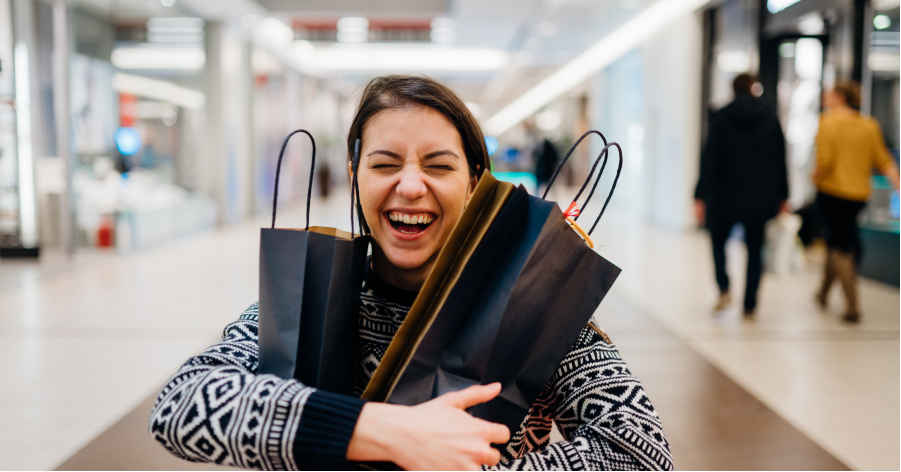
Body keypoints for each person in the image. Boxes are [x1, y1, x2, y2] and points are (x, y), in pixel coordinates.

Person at [148, 75, 672, 471]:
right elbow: (181, 405)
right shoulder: (305, 300)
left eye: (439, 166)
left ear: (475, 183)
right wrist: (382, 431)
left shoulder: (532, 308)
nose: (411, 186)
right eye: (384, 164)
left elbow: (641, 451)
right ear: (355, 178)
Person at [694, 73, 788, 317]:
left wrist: (700, 194)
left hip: (724, 195)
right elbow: (780, 160)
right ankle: (750, 303)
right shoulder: (769, 118)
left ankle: (724, 288)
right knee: (755, 249)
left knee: (717, 242)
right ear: (753, 88)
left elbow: (709, 160)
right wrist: (783, 196)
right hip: (759, 198)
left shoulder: (721, 118)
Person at [813, 80, 901, 323]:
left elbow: (825, 160)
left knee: (842, 244)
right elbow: (882, 158)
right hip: (858, 194)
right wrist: (897, 182)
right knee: (837, 238)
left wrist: (815, 176)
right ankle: (822, 292)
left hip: (832, 191)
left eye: (829, 94)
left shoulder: (828, 121)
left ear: (840, 97)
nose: (826, 98)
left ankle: (852, 303)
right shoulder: (868, 124)